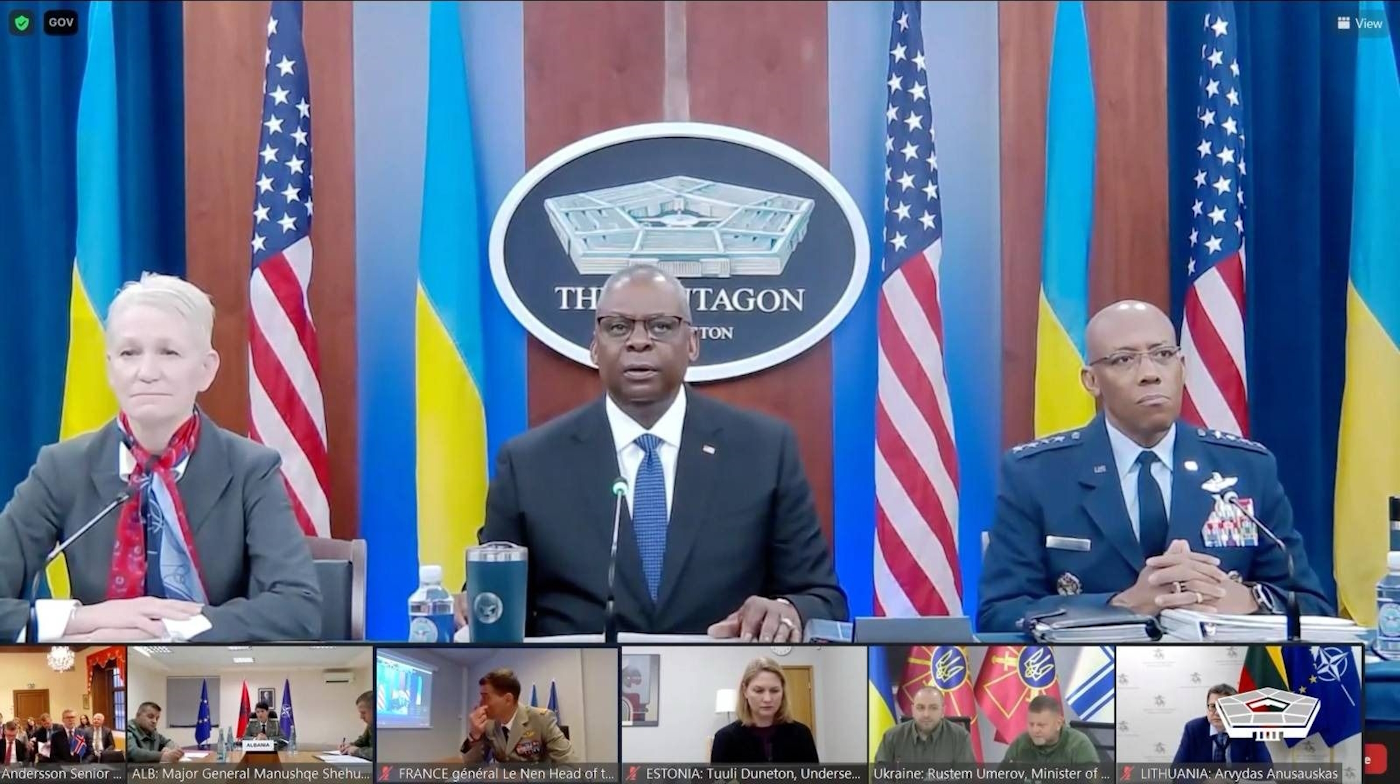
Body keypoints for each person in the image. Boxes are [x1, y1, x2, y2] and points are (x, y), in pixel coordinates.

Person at [472, 265, 847, 641]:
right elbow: (492, 607)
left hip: (724, 675)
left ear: (693, 344)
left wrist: (787, 610)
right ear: (594, 347)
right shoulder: (529, 464)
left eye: (661, 326)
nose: (638, 341)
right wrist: (469, 609)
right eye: (618, 327)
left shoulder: (763, 451)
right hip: (580, 676)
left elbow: (823, 599)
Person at [0, 273, 322, 642]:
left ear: (206, 370)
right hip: (98, 665)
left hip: (212, 665)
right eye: (129, 353)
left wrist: (167, 627)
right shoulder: (62, 469)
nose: (147, 373)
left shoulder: (251, 469)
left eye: (169, 353)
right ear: (110, 368)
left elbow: (298, 610)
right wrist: (84, 620)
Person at [977, 301, 1331, 632]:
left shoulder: (1247, 468)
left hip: (1223, 673)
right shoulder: (1036, 475)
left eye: (1163, 355)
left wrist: (1248, 600)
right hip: (1088, 675)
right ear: (1091, 380)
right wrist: (1121, 605)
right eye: (1123, 360)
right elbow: (1000, 615)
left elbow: (1314, 609)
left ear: (1182, 366)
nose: (1150, 374)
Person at [710, 658, 819, 763]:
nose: (767, 699)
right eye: (759, 691)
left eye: (774, 691)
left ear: (783, 691)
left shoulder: (801, 734)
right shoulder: (725, 738)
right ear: (745, 691)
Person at [460, 668, 577, 764]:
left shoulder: (542, 720)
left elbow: (572, 769)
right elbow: (470, 765)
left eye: (485, 697)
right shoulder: (489, 724)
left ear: (508, 699)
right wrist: (474, 735)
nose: (480, 703)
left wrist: (521, 777)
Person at [873, 686, 976, 764]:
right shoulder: (892, 737)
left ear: (943, 711)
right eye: (920, 707)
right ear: (913, 710)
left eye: (933, 708)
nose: (926, 714)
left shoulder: (960, 737)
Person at [1173, 684, 1272, 764]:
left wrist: (1235, 779)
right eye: (1213, 706)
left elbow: (1267, 770)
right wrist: (1206, 780)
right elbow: (1176, 771)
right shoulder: (1193, 729)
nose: (1217, 713)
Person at [1001, 696, 1098, 764]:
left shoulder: (1079, 745)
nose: (1035, 730)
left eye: (1041, 725)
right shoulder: (1020, 744)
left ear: (1058, 724)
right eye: (1031, 724)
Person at [338, 691, 373, 760]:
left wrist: (356, 751)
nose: (361, 717)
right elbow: (362, 742)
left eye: (363, 712)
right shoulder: (371, 725)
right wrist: (349, 746)